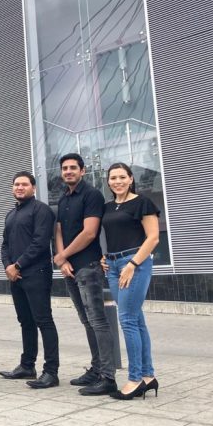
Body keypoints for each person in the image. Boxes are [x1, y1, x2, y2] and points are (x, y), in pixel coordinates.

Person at [54, 153, 117, 395]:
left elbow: (90, 233)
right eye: (65, 168)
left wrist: (63, 256)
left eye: (73, 168)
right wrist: (62, 260)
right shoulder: (63, 198)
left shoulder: (92, 195)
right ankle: (96, 368)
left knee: (98, 321)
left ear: (83, 170)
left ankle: (108, 377)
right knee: (86, 320)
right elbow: (58, 230)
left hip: (88, 266)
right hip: (69, 267)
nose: (68, 171)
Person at [101, 163, 160, 400]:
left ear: (131, 178)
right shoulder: (107, 207)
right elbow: (108, 236)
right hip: (114, 265)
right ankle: (148, 376)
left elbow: (153, 237)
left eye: (122, 177)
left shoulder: (142, 202)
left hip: (134, 263)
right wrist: (104, 257)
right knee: (136, 320)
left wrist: (132, 265)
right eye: (113, 178)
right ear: (108, 182)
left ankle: (135, 379)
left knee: (126, 320)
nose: (117, 181)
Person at [0, 172, 59, 388]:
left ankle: (51, 372)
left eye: (24, 184)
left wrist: (18, 265)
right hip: (16, 276)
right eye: (16, 184)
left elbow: (40, 242)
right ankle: (27, 365)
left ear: (33, 187)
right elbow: (5, 244)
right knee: (25, 321)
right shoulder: (11, 214)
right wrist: (8, 266)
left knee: (44, 320)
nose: (20, 187)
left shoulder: (41, 210)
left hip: (36, 273)